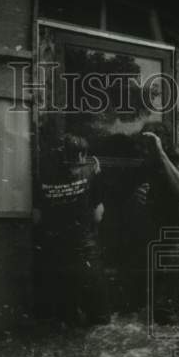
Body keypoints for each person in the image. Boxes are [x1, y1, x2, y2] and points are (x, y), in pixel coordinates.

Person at [34, 133, 110, 327]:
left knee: (67, 322)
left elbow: (37, 218)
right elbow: (98, 216)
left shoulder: (43, 177)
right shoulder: (91, 173)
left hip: (57, 256)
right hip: (86, 253)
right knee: (99, 321)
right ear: (81, 156)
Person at [136, 121, 179, 324]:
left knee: (170, 301)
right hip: (164, 229)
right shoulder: (149, 162)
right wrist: (141, 195)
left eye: (150, 143)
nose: (144, 149)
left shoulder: (176, 155)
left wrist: (160, 152)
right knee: (162, 300)